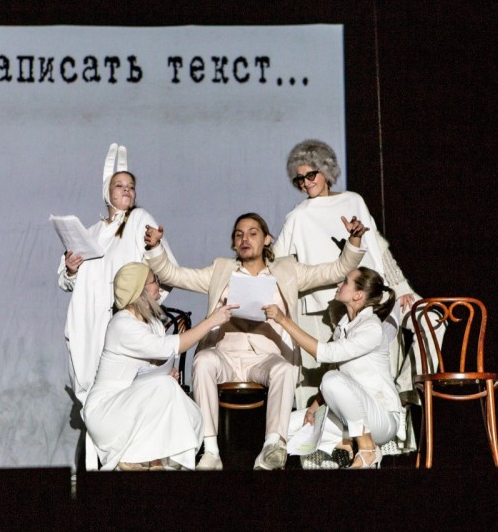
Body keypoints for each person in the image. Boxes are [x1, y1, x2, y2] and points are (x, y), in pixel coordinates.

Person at [144, 212, 368, 470]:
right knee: (203, 360)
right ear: (233, 242)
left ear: (267, 239)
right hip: (226, 354)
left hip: (265, 357)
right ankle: (211, 451)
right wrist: (155, 247)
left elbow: (335, 270)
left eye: (252, 233)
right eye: (239, 235)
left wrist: (354, 240)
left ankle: (272, 447)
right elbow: (174, 275)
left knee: (284, 368)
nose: (245, 239)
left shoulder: (287, 270)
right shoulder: (221, 270)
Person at [273, 139, 438, 452]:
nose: (305, 183)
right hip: (331, 307)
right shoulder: (298, 216)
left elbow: (378, 249)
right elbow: (278, 261)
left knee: (428, 323)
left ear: (326, 171)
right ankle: (341, 448)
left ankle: (406, 392)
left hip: (375, 296)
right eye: (299, 179)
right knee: (335, 378)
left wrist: (402, 289)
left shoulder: (354, 201)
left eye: (310, 175)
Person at [83, 262, 237, 471]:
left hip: (135, 403)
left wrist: (165, 372)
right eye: (154, 280)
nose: (159, 285)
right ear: (141, 290)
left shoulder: (154, 324)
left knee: (192, 414)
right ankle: (142, 457)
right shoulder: (122, 324)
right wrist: (211, 321)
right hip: (107, 412)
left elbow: (154, 363)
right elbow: (169, 347)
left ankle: (153, 461)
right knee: (164, 387)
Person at [57, 144, 176, 407]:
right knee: (94, 391)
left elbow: (167, 271)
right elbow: (66, 282)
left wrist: (154, 248)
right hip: (90, 321)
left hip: (125, 321)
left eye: (131, 186)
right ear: (107, 192)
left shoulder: (139, 219)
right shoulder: (89, 233)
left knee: (127, 392)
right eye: (119, 185)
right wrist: (71, 269)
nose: (126, 190)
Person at [264, 266, 402, 469]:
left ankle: (367, 449)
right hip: (352, 418)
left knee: (331, 379)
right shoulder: (344, 326)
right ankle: (347, 443)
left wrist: (283, 320)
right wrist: (314, 407)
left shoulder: (372, 328)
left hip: (382, 419)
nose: (339, 284)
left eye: (345, 282)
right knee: (281, 428)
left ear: (358, 295)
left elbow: (325, 354)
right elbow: (338, 374)